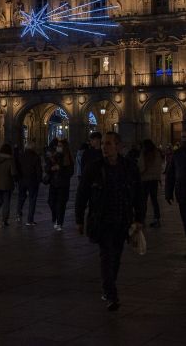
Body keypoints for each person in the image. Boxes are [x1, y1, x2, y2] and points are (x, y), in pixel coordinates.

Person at [75, 131, 143, 311]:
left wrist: (140, 218)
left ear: (118, 146)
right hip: (102, 220)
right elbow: (82, 195)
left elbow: (139, 195)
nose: (105, 147)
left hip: (122, 220)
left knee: (117, 257)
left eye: (109, 144)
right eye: (103, 143)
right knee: (106, 256)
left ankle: (109, 286)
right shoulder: (94, 167)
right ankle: (111, 294)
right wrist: (79, 219)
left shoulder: (129, 167)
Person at [45, 139, 74, 231]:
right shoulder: (54, 156)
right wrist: (51, 168)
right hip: (53, 183)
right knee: (50, 202)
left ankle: (59, 222)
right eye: (58, 145)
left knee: (61, 204)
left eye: (60, 145)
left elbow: (70, 172)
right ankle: (55, 216)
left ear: (64, 147)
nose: (58, 147)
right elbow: (47, 168)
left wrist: (60, 168)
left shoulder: (68, 158)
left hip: (63, 184)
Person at [165, 133, 186, 246]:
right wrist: (168, 192)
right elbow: (171, 174)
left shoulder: (177, 154)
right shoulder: (177, 154)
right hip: (182, 192)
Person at [16, 141, 42, 225]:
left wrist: (18, 178)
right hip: (32, 181)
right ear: (33, 148)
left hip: (22, 180)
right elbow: (39, 170)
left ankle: (18, 214)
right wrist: (39, 180)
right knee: (32, 200)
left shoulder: (21, 155)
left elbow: (17, 168)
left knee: (21, 198)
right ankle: (29, 220)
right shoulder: (35, 157)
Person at [138, 139, 163, 227]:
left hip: (145, 180)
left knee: (143, 200)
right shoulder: (157, 153)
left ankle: (142, 219)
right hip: (154, 180)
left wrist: (139, 174)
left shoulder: (144, 153)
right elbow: (159, 165)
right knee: (154, 200)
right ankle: (157, 219)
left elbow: (141, 166)